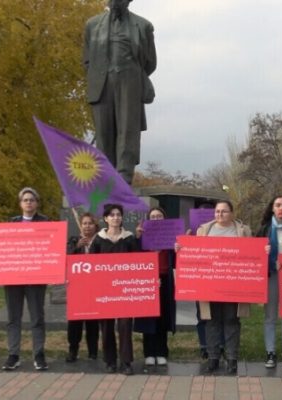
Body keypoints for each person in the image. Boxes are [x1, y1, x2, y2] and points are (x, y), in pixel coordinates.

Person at [83, 0, 157, 184]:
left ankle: (124, 177)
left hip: (130, 81)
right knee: (104, 131)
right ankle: (105, 176)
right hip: (102, 82)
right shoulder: (92, 25)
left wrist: (130, 73)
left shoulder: (143, 26)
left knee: (128, 130)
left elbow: (150, 62)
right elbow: (87, 60)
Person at [195, 200, 252, 374]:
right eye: (217, 212)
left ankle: (232, 359)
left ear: (232, 213)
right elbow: (195, 252)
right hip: (210, 283)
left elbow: (251, 253)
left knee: (231, 320)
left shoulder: (243, 230)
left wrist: (263, 251)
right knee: (211, 320)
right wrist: (181, 248)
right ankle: (213, 358)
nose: (220, 215)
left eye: (224, 211)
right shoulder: (204, 230)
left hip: (234, 283)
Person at [2, 187, 49, 371]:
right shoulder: (11, 222)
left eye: (32, 199)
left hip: (36, 277)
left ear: (37, 203)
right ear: (20, 203)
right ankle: (13, 355)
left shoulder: (46, 222)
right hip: (13, 277)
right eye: (25, 200)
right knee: (13, 318)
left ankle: (39, 354)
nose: (28, 202)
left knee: (37, 317)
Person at [93, 203, 140, 375]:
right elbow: (89, 266)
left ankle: (126, 362)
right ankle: (110, 361)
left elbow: (139, 263)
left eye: (118, 214)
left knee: (125, 325)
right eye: (111, 215)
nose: (115, 217)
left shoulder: (129, 239)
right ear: (105, 218)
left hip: (125, 291)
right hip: (104, 291)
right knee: (106, 326)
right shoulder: (98, 240)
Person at [256, 196, 282, 369]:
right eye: (278, 205)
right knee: (270, 316)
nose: (281, 208)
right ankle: (270, 352)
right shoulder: (264, 229)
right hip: (271, 276)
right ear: (272, 208)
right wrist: (268, 259)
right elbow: (255, 255)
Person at [134, 207, 176, 367]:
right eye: (153, 217)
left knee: (162, 318)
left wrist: (179, 246)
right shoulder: (142, 237)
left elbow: (177, 258)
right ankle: (149, 352)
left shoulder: (170, 238)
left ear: (164, 219)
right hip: (147, 281)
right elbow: (134, 257)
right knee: (148, 318)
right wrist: (138, 238)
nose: (156, 219)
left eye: (159, 216)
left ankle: (162, 352)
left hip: (165, 281)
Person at [65, 212, 101, 362]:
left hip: (94, 287)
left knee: (93, 321)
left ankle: (93, 351)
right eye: (84, 223)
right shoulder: (74, 240)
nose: (87, 226)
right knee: (75, 322)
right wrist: (76, 248)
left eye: (90, 223)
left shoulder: (100, 241)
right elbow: (64, 258)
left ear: (95, 226)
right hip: (77, 288)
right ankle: (73, 350)